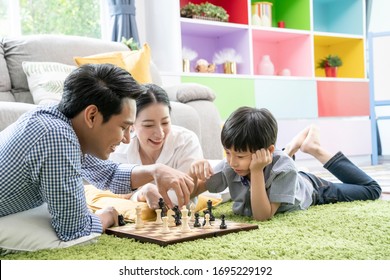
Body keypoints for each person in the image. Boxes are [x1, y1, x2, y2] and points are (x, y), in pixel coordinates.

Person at [0, 64, 194, 242]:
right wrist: (109, 215)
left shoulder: (61, 124)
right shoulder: (56, 137)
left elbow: (108, 174)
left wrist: (155, 171)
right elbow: (74, 229)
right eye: (123, 127)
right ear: (92, 115)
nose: (127, 139)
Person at [190, 106, 382, 221]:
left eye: (240, 156)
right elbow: (199, 189)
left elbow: (262, 215)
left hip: (312, 188)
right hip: (277, 163)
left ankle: (314, 148)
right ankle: (289, 149)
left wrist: (256, 171)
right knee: (280, 162)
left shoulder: (284, 169)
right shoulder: (232, 163)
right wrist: (195, 174)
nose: (232, 161)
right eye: (228, 152)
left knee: (371, 190)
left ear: (267, 151)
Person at [109, 83, 203, 209]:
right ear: (132, 124)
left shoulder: (186, 141)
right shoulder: (120, 148)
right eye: (148, 125)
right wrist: (142, 194)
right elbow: (118, 194)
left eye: (165, 122)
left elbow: (183, 195)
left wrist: (143, 192)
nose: (160, 133)